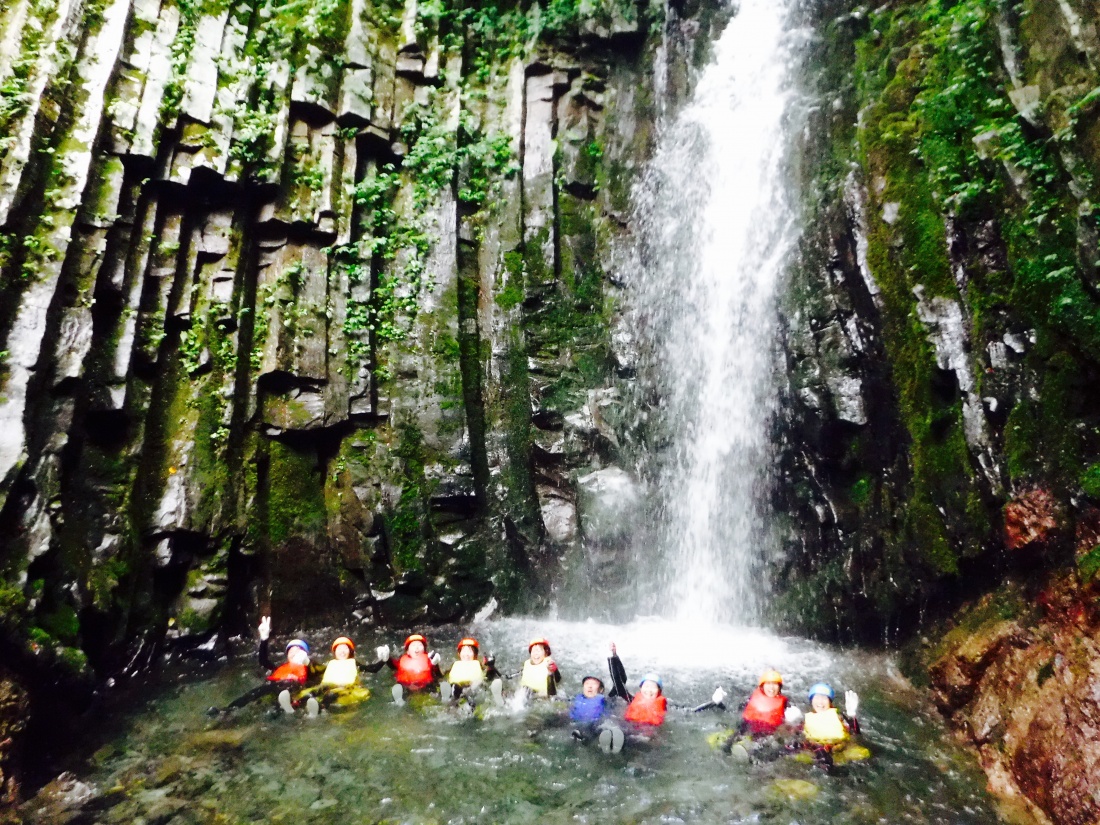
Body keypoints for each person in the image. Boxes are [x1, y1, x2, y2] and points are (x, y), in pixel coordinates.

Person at [209, 616, 321, 715]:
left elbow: (316, 674)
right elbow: (263, 661)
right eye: (291, 651)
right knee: (254, 693)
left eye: (298, 650)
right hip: (275, 686)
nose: (294, 653)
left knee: (286, 696)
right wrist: (264, 639)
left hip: (293, 687)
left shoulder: (308, 667)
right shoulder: (279, 668)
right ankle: (227, 710)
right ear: (287, 656)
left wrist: (306, 661)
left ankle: (291, 708)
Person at [793, 682, 860, 768]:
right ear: (811, 701)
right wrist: (791, 722)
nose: (820, 702)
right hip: (814, 748)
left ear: (830, 701)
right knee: (791, 746)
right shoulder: (806, 720)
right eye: (817, 697)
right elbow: (796, 733)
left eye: (824, 698)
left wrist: (852, 716)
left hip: (836, 747)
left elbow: (855, 733)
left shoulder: (839, 717)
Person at [295, 636, 366, 716]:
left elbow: (372, 668)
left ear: (350, 651)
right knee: (310, 693)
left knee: (330, 695)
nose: (342, 651)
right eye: (339, 649)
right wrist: (307, 661)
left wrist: (382, 660)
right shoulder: (330, 664)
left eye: (345, 648)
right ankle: (295, 705)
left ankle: (321, 708)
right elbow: (318, 669)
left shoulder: (355, 664)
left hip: (344, 688)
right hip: (327, 686)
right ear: (335, 652)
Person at [365, 633, 444, 705]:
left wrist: (435, 664)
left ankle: (442, 697)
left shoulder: (430, 660)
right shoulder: (403, 660)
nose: (417, 648)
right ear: (408, 651)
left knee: (433, 686)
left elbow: (438, 675)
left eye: (420, 645)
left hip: (425, 685)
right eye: (413, 646)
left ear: (424, 649)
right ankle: (399, 700)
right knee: (400, 687)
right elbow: (394, 666)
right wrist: (387, 659)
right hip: (407, 685)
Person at [444, 637, 502, 705]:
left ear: (475, 654)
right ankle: (455, 696)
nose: (466, 654)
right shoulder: (454, 666)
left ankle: (496, 696)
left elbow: (488, 675)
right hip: (458, 687)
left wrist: (491, 667)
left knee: (476, 687)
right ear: (459, 654)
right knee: (454, 689)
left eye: (469, 651)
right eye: (464, 651)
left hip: (473, 687)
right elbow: (443, 676)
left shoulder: (479, 665)